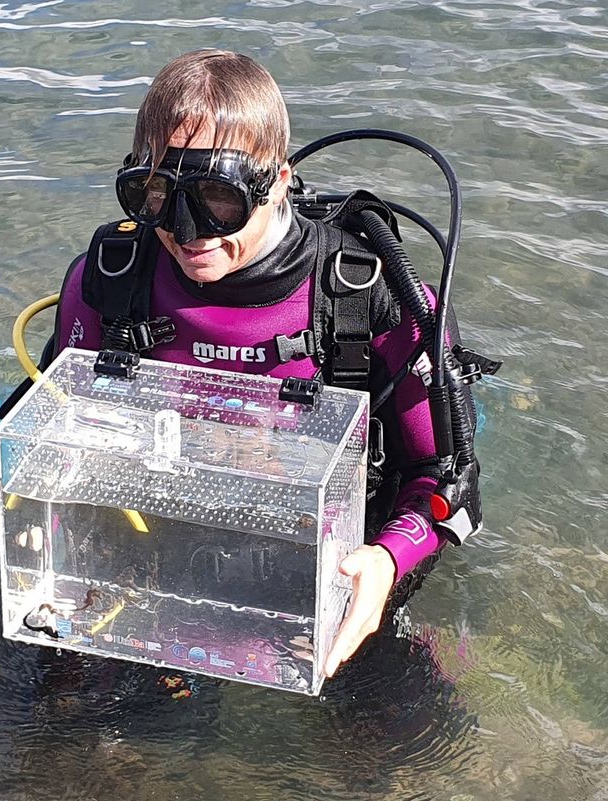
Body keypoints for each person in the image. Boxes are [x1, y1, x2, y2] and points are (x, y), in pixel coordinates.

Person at [38, 50, 487, 680]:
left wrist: (385, 562)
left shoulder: (370, 299)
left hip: (341, 571)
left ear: (275, 182)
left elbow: (450, 479)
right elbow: (53, 435)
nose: (189, 231)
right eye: (160, 195)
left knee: (407, 758)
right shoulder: (111, 282)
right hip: (163, 554)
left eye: (217, 199)